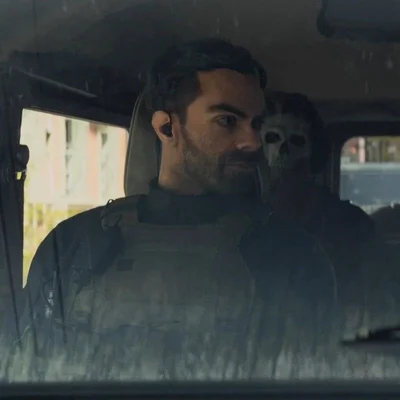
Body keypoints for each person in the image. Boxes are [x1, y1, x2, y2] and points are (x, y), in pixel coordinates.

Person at [1, 39, 338, 381]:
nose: (252, 142)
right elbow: (25, 369)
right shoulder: (72, 247)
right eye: (227, 121)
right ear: (166, 127)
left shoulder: (293, 258)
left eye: (256, 124)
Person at [260, 91, 375, 259]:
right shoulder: (245, 219)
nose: (283, 150)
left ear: (314, 151)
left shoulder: (352, 223)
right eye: (273, 137)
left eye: (297, 140)